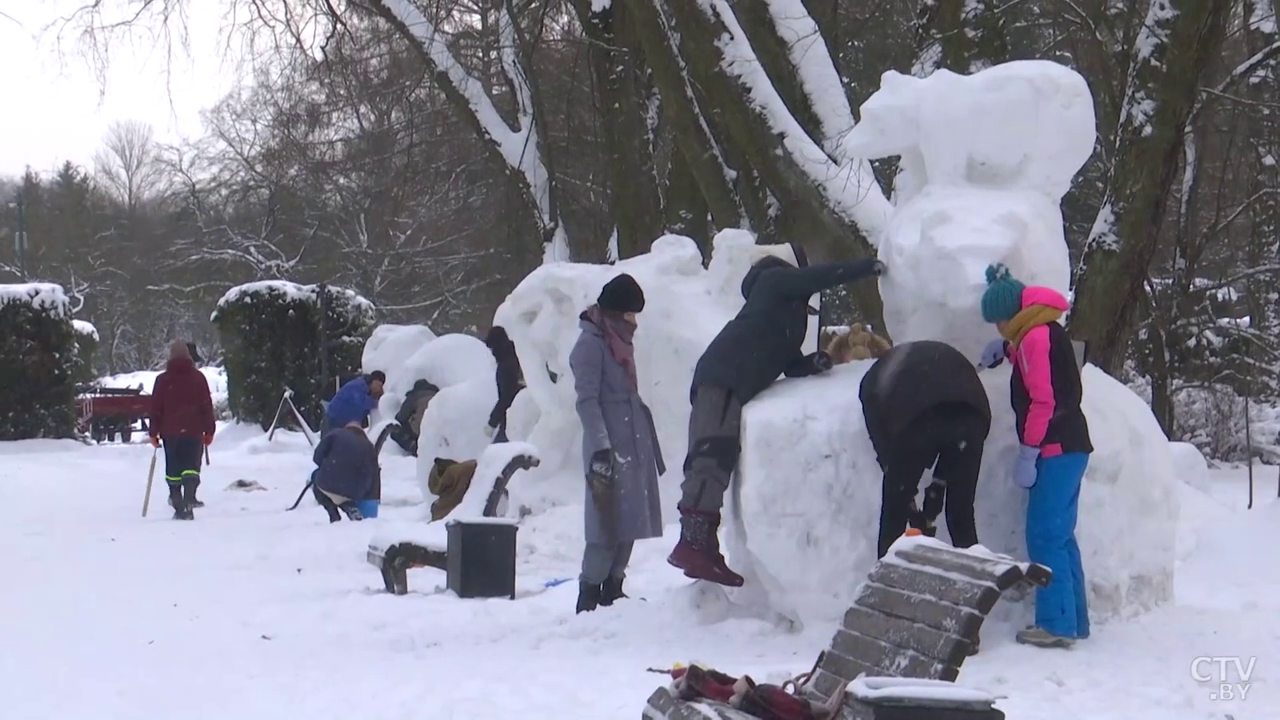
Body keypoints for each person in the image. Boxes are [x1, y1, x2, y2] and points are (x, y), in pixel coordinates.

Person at [669, 248, 885, 586]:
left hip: (732, 378)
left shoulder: (780, 312)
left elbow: (787, 361)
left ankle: (701, 547)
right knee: (709, 455)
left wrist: (815, 362)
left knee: (717, 456)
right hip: (723, 374)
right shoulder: (772, 281)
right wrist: (865, 266)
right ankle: (692, 543)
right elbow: (818, 277)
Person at [979, 263, 1093, 649]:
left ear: (1012, 315)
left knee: (1045, 535)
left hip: (1054, 448)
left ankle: (1056, 624)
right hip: (1071, 445)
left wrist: (1030, 450)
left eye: (998, 322)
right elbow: (1043, 369)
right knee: (1061, 536)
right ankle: (1074, 619)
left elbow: (1043, 399)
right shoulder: (1044, 330)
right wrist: (1009, 352)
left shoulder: (1033, 339)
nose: (998, 329)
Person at [569, 273, 666, 613]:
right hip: (607, 446)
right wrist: (601, 447)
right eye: (630, 315)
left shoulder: (617, 341)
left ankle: (613, 587)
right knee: (605, 524)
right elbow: (586, 401)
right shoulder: (590, 346)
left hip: (632, 440)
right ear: (614, 313)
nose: (634, 323)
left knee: (630, 519)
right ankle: (590, 593)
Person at [859, 340, 991, 559]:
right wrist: (938, 485)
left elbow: (883, 444)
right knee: (961, 513)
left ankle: (887, 577)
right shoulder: (913, 359)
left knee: (894, 510)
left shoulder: (870, 385)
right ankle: (977, 579)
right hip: (973, 414)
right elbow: (953, 422)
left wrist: (903, 493)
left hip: (922, 416)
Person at [149, 340, 216, 520]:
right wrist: (209, 430)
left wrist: (153, 432)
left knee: (174, 468)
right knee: (191, 468)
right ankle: (188, 500)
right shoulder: (198, 378)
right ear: (188, 356)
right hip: (193, 432)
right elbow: (206, 406)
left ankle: (177, 502)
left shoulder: (162, 380)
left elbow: (156, 408)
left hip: (170, 433)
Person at [310, 420, 379, 522]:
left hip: (328, 482)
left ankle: (333, 513)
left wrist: (327, 465)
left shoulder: (336, 434)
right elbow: (373, 476)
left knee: (315, 476)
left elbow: (317, 457)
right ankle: (349, 506)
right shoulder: (369, 446)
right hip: (355, 491)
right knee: (344, 493)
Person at [484, 327, 524, 442]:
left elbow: (506, 397)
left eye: (492, 348)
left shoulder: (506, 365)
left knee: (499, 453)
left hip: (513, 416)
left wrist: (492, 423)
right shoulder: (517, 357)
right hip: (520, 412)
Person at [390, 379, 439, 455]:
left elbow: (401, 417)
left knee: (395, 431)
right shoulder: (438, 396)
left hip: (419, 429)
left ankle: (414, 447)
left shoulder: (413, 396)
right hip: (439, 431)